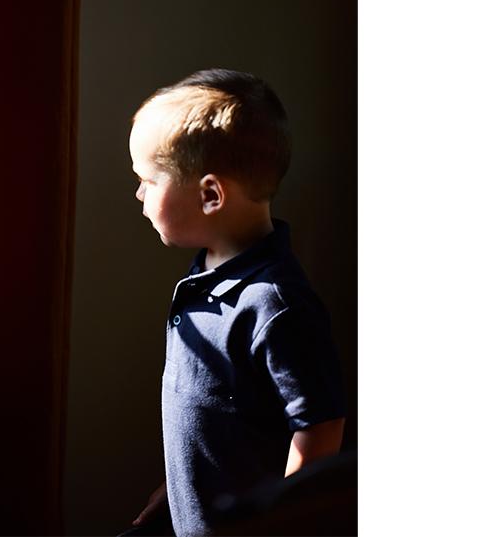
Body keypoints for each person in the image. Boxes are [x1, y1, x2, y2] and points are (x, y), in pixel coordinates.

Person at [125, 69, 348, 537]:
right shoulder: (207, 270)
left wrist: (281, 518)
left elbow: (321, 426)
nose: (139, 194)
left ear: (211, 195)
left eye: (148, 180)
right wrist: (178, 487)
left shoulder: (275, 305)